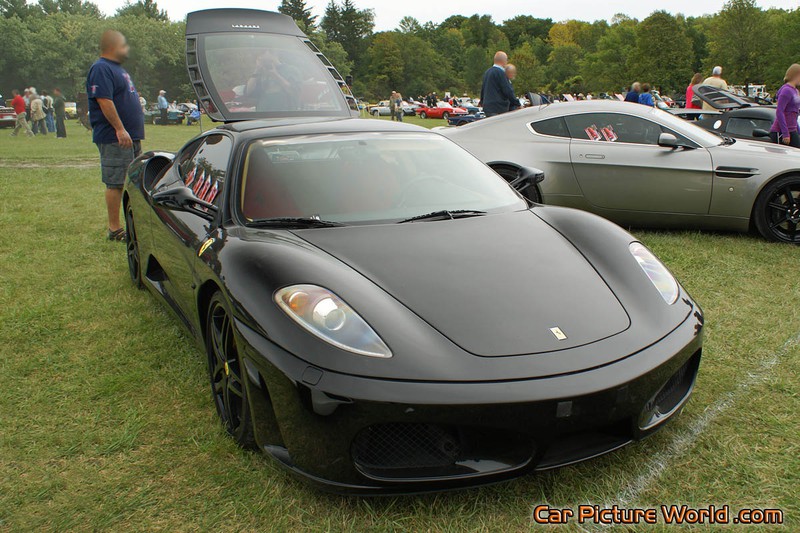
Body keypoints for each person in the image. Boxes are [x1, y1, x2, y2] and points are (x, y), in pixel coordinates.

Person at [86, 30, 145, 241]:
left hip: (131, 136)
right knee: (116, 182)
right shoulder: (101, 68)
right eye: (124, 46)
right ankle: (115, 229)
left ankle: (133, 224)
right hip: (115, 137)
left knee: (133, 181)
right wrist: (120, 129)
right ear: (112, 47)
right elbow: (104, 100)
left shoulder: (117, 69)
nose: (127, 50)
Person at [769, 63, 800, 148]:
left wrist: (798, 131)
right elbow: (779, 111)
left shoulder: (795, 91)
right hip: (781, 131)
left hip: (792, 129)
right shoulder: (786, 90)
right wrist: (785, 133)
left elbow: (794, 113)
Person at [480, 51, 518, 117]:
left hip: (488, 107)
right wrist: (517, 103)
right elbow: (507, 90)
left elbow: (483, 90)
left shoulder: (487, 72)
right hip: (498, 108)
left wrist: (482, 102)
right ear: (504, 61)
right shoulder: (500, 73)